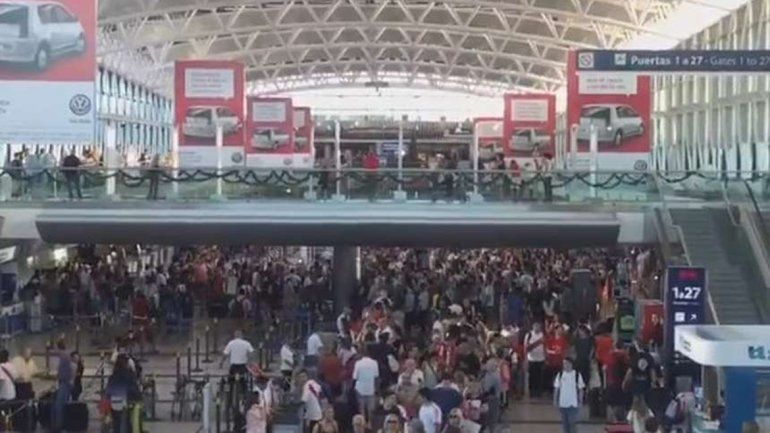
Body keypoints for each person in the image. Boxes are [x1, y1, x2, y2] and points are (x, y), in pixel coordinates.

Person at [105, 353, 142, 433]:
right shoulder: (129, 374)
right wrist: (139, 398)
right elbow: (133, 389)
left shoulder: (113, 375)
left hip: (113, 402)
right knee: (128, 422)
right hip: (126, 401)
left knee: (116, 423)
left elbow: (108, 390)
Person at [553, 357, 585, 433]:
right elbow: (556, 388)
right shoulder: (560, 374)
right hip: (563, 403)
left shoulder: (577, 375)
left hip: (573, 404)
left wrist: (580, 401)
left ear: (571, 364)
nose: (565, 365)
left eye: (566, 363)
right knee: (565, 424)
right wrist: (555, 400)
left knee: (572, 423)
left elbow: (581, 389)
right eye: (564, 364)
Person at [353, 347, 379, 423]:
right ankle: (370, 423)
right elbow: (376, 377)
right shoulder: (374, 363)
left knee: (362, 409)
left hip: (360, 389)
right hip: (371, 389)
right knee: (370, 409)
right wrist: (376, 389)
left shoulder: (358, 363)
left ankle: (363, 424)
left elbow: (355, 377)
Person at [52, 341, 73, 433]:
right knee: (63, 405)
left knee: (58, 406)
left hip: (64, 383)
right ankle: (63, 425)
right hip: (65, 383)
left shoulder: (64, 357)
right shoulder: (66, 356)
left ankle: (58, 427)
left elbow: (65, 373)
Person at [525, 321, 546, 398]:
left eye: (538, 326)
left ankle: (539, 392)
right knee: (532, 376)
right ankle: (532, 392)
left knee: (540, 377)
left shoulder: (543, 335)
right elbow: (527, 348)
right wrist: (538, 342)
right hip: (532, 359)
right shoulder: (529, 335)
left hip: (541, 359)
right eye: (535, 326)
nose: (537, 328)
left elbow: (545, 346)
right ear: (533, 327)